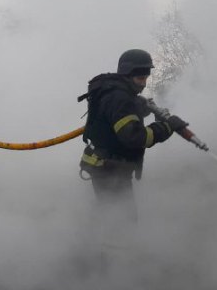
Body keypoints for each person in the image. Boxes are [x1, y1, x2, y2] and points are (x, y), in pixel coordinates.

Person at [78, 49, 188, 223]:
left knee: (111, 215)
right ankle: (113, 250)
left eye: (146, 78)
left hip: (106, 166)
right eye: (140, 79)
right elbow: (135, 138)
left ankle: (100, 244)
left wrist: (142, 110)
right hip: (109, 169)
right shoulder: (119, 97)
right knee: (121, 222)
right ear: (127, 75)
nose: (143, 84)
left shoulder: (116, 91)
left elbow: (117, 118)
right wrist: (166, 127)